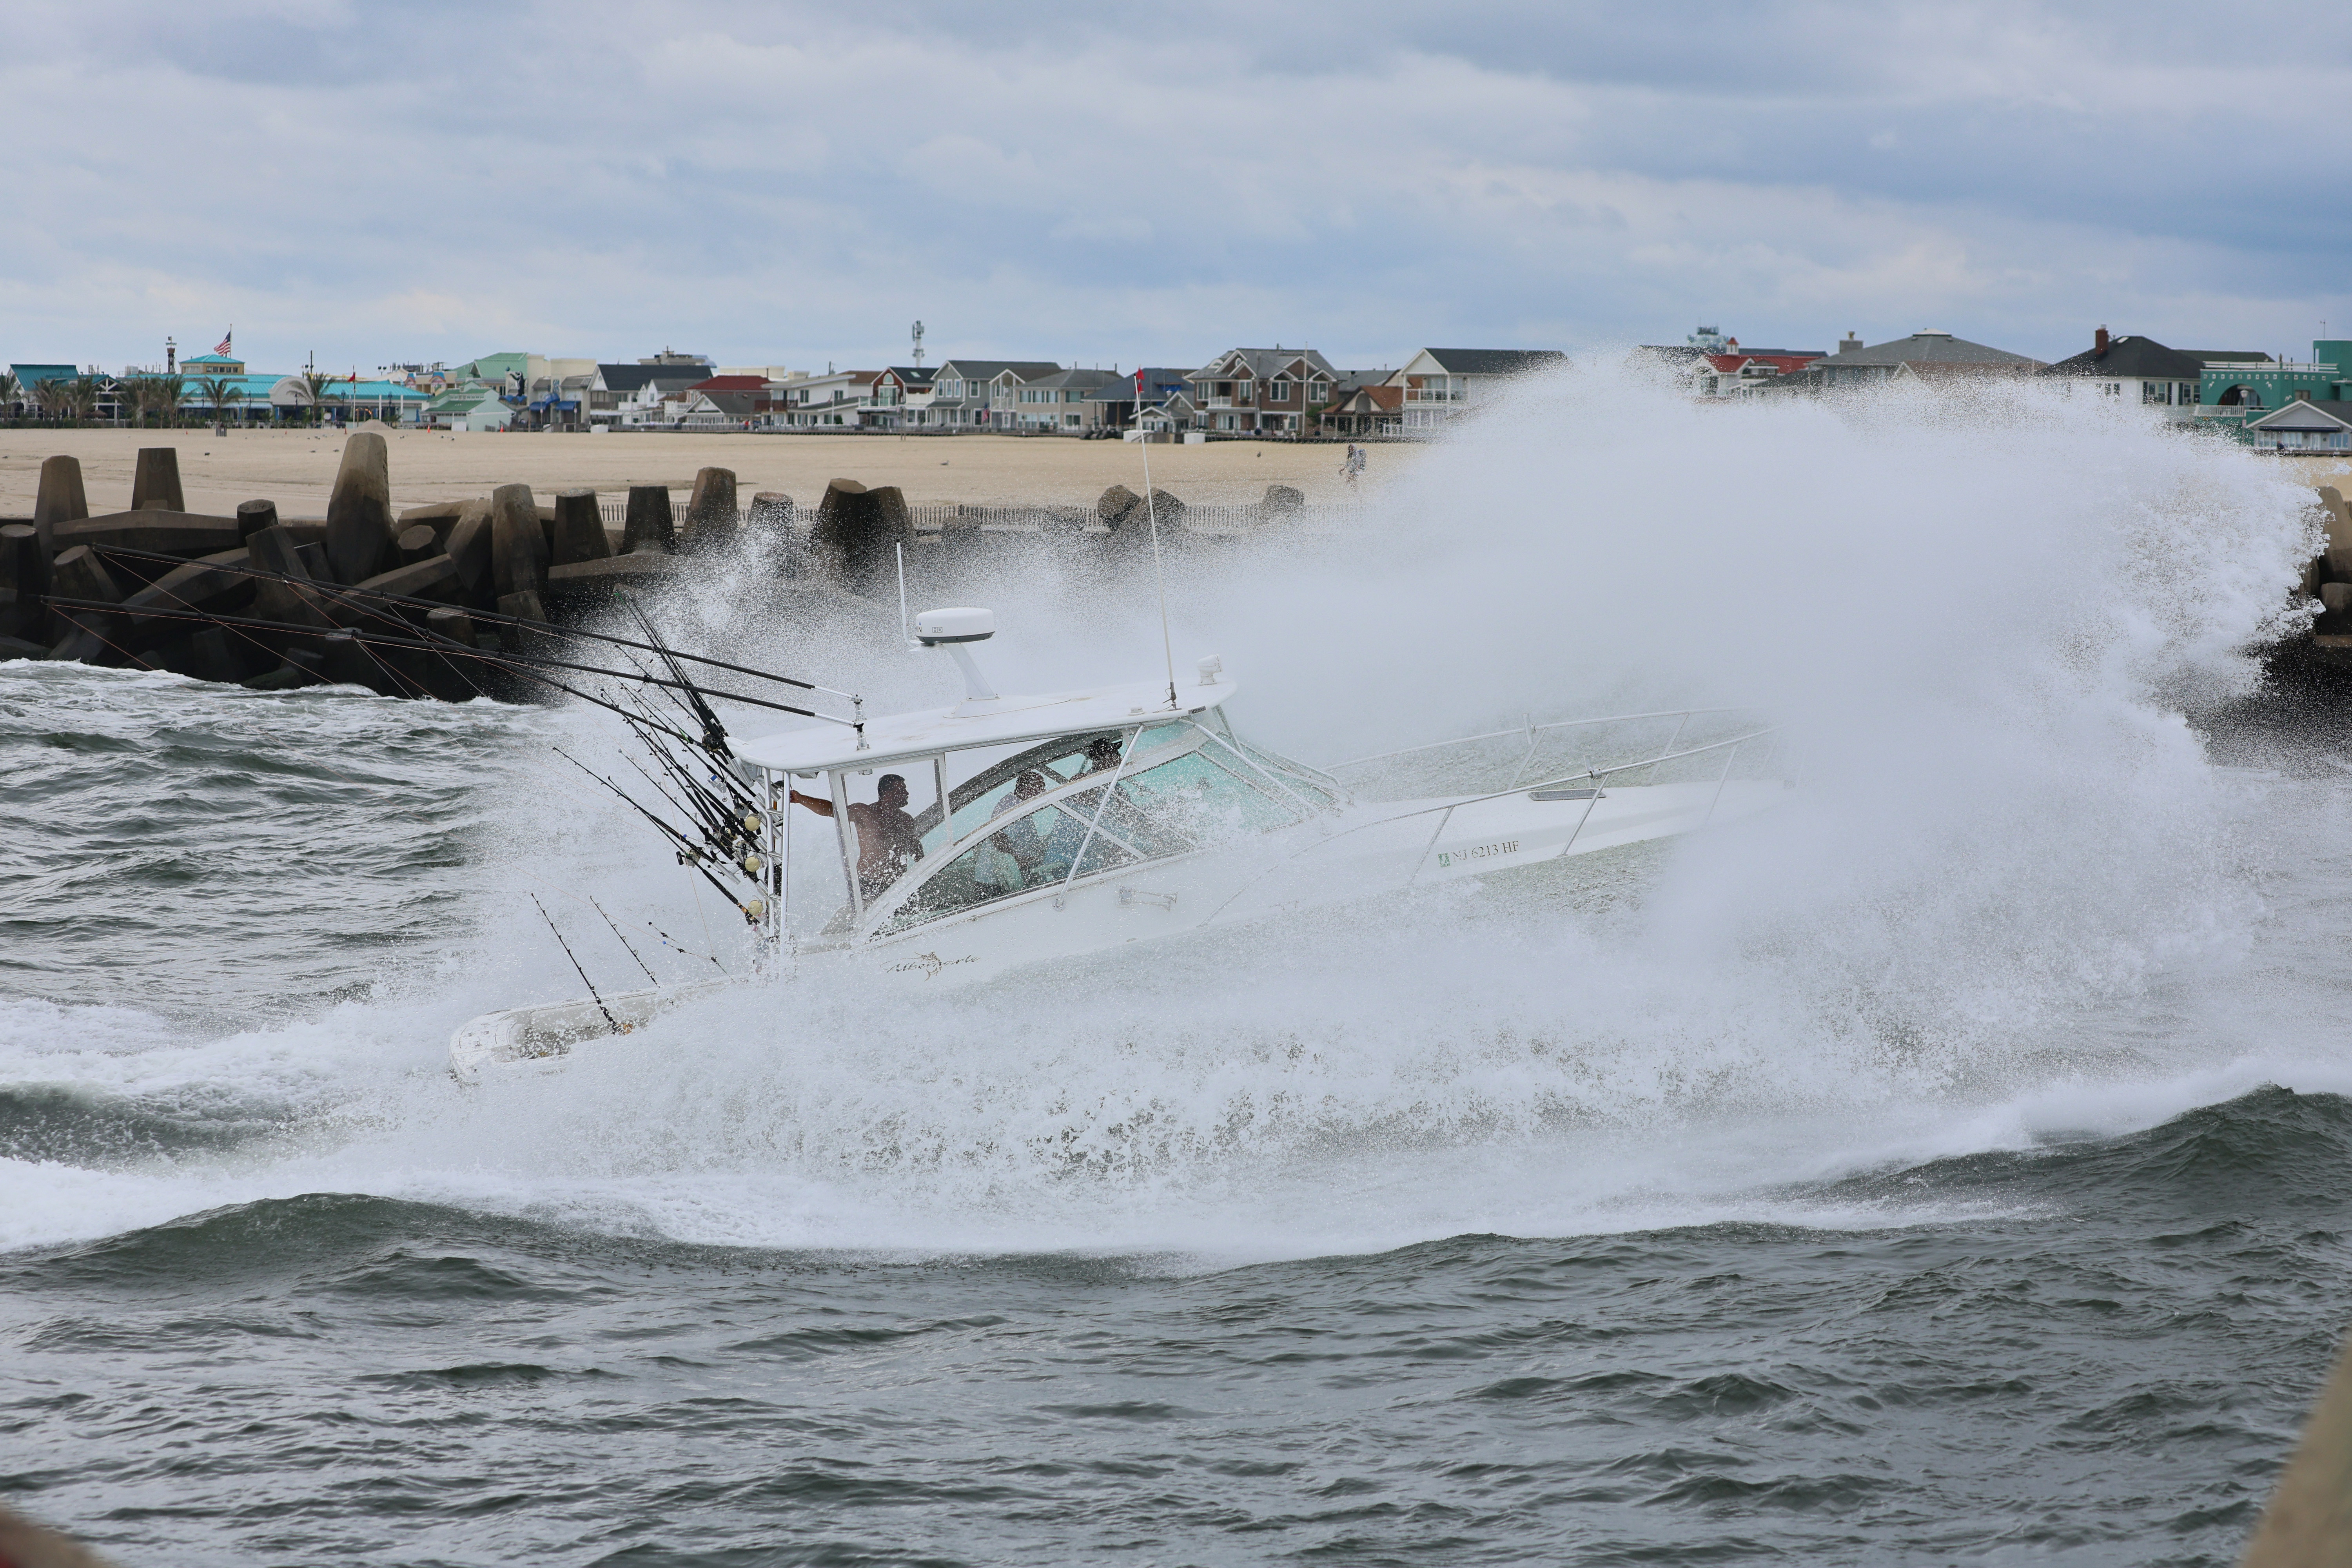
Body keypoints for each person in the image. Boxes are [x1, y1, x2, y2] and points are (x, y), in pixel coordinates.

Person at [789, 773, 923, 902]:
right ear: (888, 793)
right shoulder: (865, 813)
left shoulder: (906, 819)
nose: (907, 794)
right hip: (870, 884)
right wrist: (801, 799)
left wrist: (927, 872)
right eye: (902, 790)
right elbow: (831, 811)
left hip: (898, 885)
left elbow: (915, 848)